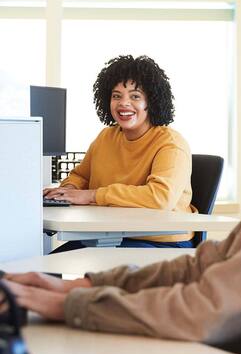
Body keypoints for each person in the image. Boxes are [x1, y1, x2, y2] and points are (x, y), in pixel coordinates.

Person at [4, 20, 241, 354]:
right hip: (216, 348)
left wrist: (71, 304)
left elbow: (208, 307)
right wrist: (89, 284)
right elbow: (206, 264)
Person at [44, 55, 195, 249]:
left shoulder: (171, 144)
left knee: (82, 269)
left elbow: (160, 197)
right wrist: (69, 191)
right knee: (47, 268)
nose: (123, 103)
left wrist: (92, 196)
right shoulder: (106, 137)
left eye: (135, 96)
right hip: (110, 235)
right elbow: (81, 176)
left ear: (152, 101)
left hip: (160, 241)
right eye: (116, 96)